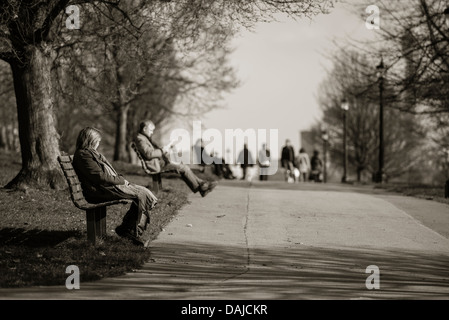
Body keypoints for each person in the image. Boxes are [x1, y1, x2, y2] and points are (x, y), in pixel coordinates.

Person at [72, 127, 158, 246]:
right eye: (97, 141)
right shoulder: (84, 155)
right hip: (98, 191)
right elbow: (100, 177)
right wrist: (120, 180)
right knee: (140, 195)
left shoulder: (88, 154)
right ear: (91, 141)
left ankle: (129, 229)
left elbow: (101, 176)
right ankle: (129, 230)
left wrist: (119, 180)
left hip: (102, 188)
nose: (98, 144)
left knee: (142, 193)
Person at [135, 120, 217, 197]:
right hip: (155, 166)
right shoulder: (140, 140)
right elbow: (149, 154)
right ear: (145, 129)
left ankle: (201, 185)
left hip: (159, 163)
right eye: (151, 130)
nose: (152, 132)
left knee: (183, 166)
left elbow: (152, 152)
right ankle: (201, 187)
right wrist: (162, 150)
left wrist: (166, 149)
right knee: (183, 167)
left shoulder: (143, 139)